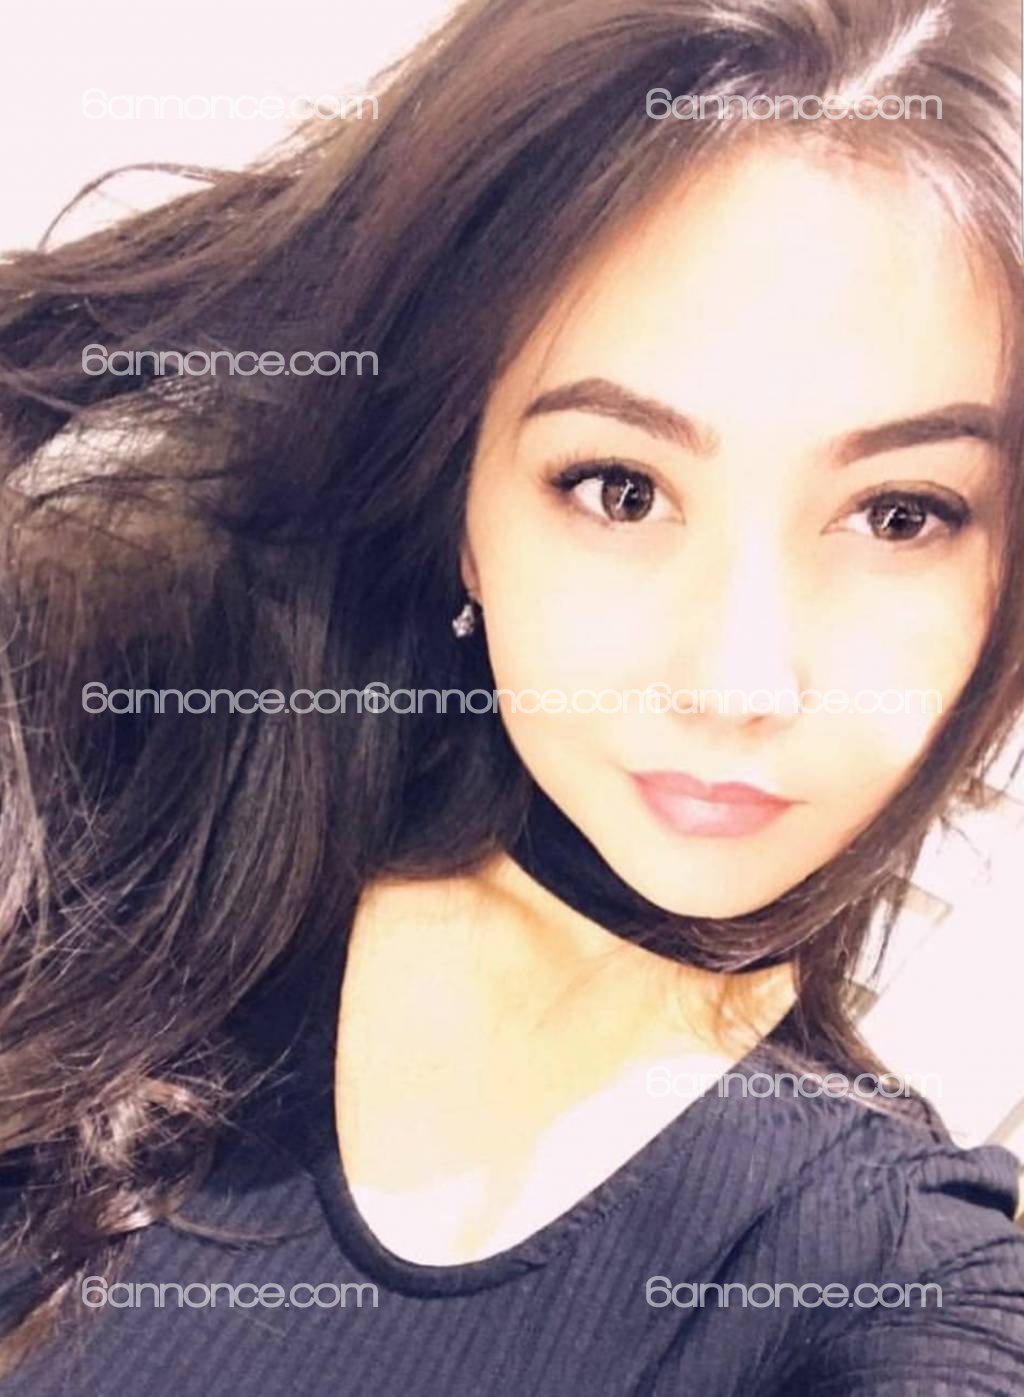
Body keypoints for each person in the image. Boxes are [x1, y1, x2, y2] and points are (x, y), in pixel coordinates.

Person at [1, 0, 1023, 1391]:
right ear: (464, 508)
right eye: (620, 488)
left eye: (901, 514)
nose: (737, 682)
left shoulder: (887, 1274)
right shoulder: (96, 799)